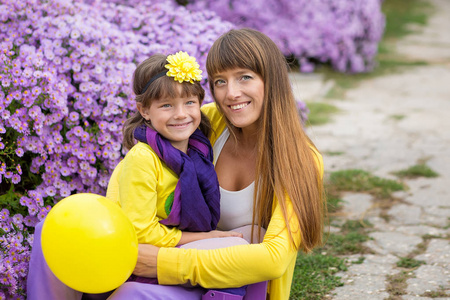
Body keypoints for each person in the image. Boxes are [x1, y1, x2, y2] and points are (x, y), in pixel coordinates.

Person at [109, 28, 326, 300]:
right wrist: (130, 234)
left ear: (271, 80)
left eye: (244, 77)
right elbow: (129, 169)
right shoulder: (211, 122)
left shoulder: (301, 159)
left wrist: (160, 262)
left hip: (234, 287)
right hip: (181, 269)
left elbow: (273, 259)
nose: (231, 93)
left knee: (132, 294)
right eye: (220, 82)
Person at [26, 52, 245, 300]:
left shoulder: (199, 150)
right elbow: (140, 233)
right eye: (166, 105)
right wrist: (206, 237)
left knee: (237, 252)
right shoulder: (144, 158)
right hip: (135, 255)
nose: (181, 114)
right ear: (144, 110)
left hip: (171, 250)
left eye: (189, 103)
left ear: (200, 103)